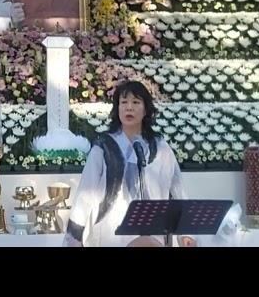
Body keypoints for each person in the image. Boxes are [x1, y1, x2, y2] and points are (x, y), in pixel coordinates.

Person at [63, 80, 197, 247]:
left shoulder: (160, 146)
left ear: (146, 109)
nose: (129, 107)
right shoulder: (104, 146)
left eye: (136, 102)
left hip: (153, 233)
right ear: (117, 108)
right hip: (111, 231)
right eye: (123, 102)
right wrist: (74, 237)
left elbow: (177, 189)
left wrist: (185, 232)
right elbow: (85, 192)